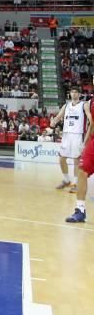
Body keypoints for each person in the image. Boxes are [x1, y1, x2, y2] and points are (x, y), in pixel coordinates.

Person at [50, 87, 90, 193]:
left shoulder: (84, 105)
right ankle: (66, 180)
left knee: (76, 160)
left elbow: (90, 117)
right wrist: (54, 121)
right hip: (66, 135)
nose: (74, 94)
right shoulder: (66, 105)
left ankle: (76, 184)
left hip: (78, 135)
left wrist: (90, 126)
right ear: (70, 94)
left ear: (80, 94)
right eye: (72, 92)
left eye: (76, 92)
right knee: (62, 158)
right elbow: (59, 116)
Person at [67, 77, 94, 223]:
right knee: (82, 172)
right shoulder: (90, 103)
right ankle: (80, 210)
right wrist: (85, 143)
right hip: (93, 141)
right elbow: (92, 124)